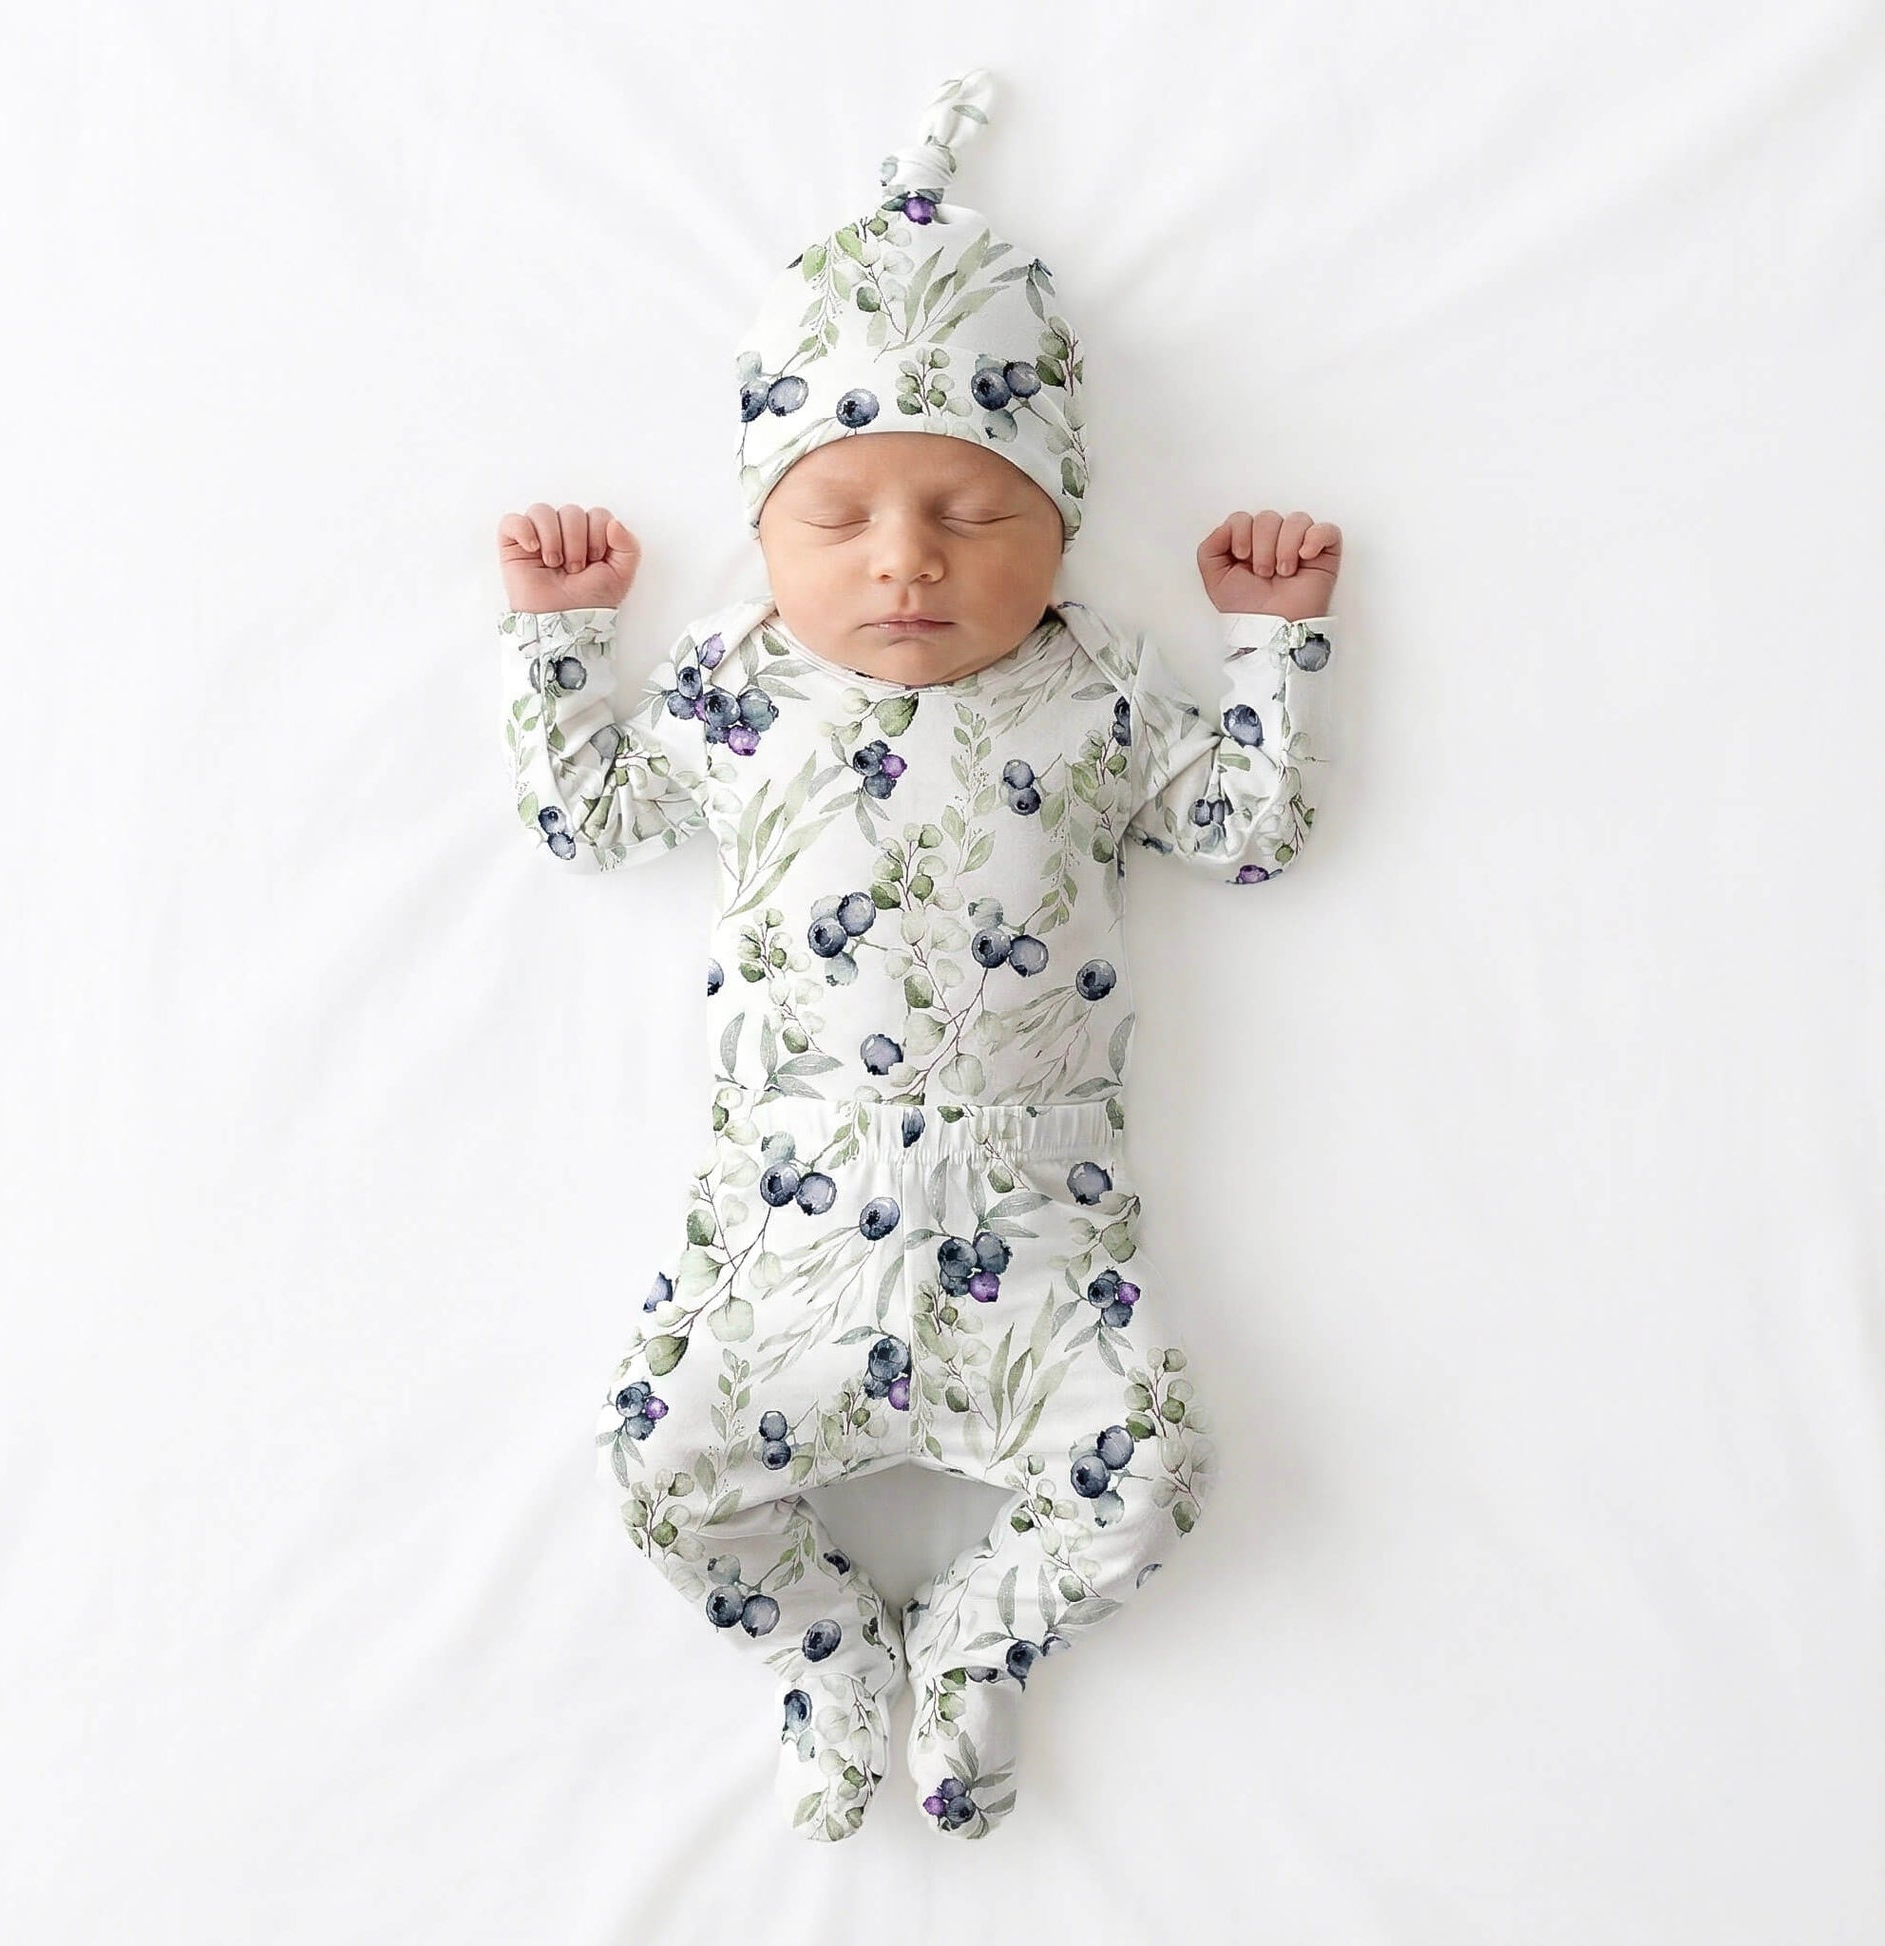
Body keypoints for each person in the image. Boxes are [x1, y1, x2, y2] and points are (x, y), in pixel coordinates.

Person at [488, 68, 1342, 1841]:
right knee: (659, 1476)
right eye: (841, 518)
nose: (906, 566)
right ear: (764, 530)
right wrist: (560, 641)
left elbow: (1243, 830)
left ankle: (972, 1643)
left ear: (1060, 527)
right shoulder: (737, 687)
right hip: (792, 1235)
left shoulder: (1096, 687)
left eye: (971, 517)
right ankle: (823, 1651)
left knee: (1155, 1478)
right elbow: (590, 819)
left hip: (1037, 1244)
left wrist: (1272, 648)